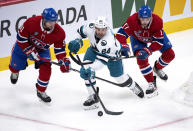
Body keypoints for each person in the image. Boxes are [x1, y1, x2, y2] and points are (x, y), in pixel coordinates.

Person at [68, 16, 144, 110]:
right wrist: (77, 41)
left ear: (107, 28)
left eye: (103, 30)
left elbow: (102, 61)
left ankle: (132, 85)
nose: (100, 32)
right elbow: (79, 32)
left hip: (111, 57)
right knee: (86, 69)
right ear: (94, 27)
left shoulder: (109, 42)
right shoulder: (90, 27)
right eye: (98, 29)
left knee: (119, 78)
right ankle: (93, 96)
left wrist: (91, 70)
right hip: (93, 50)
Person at [9, 8, 70, 102]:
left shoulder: (60, 33)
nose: (52, 24)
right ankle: (15, 72)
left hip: (42, 50)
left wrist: (63, 60)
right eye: (49, 22)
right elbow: (21, 38)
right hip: (23, 46)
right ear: (43, 19)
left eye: (54, 22)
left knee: (46, 68)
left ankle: (41, 91)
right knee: (15, 65)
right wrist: (29, 50)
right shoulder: (31, 22)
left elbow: (59, 50)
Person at [116, 5, 175, 97]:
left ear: (151, 17)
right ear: (138, 17)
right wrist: (124, 46)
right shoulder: (132, 20)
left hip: (153, 39)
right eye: (142, 19)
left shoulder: (158, 22)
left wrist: (148, 50)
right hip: (137, 39)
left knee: (170, 55)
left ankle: (157, 68)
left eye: (147, 19)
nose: (144, 22)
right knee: (141, 60)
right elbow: (120, 34)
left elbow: (158, 42)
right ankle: (152, 83)